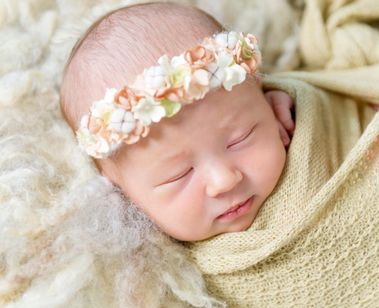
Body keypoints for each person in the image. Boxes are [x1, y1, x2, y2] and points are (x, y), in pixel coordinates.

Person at [59, 1, 297, 241]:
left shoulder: (290, 118)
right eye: (179, 175)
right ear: (123, 193)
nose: (224, 180)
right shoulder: (154, 262)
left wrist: (292, 95)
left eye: (241, 138)